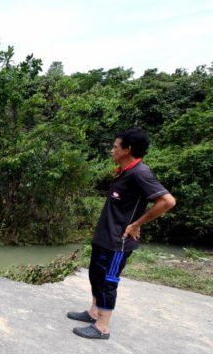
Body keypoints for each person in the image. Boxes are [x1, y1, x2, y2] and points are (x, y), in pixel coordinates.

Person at [67, 128, 176, 340]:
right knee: (96, 275)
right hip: (105, 237)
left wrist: (136, 224)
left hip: (119, 242)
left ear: (128, 149)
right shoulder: (125, 171)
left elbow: (167, 201)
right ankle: (93, 313)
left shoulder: (140, 173)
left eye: (115, 147)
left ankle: (102, 327)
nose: (112, 150)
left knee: (108, 280)